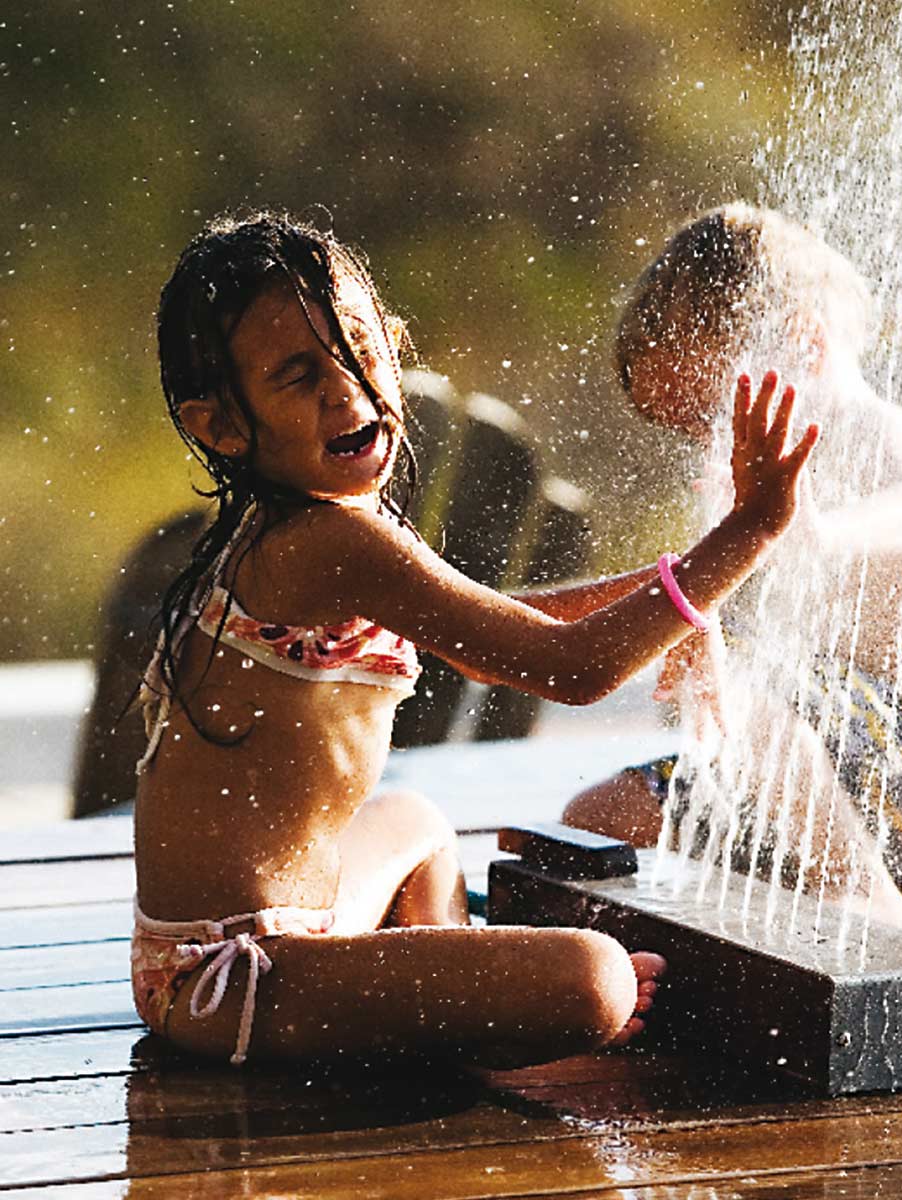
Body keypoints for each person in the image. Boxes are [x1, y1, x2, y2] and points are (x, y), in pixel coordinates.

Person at [131, 211, 819, 1067]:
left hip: (255, 938)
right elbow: (574, 670)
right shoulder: (331, 544)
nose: (349, 392)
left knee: (415, 819)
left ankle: (442, 993)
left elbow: (500, 620)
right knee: (595, 981)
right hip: (234, 977)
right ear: (222, 428)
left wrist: (679, 598)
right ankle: (460, 1008)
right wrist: (751, 530)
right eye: (301, 376)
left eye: (361, 350)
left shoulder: (317, 526)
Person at [562, 204, 902, 939]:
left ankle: (870, 898)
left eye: (715, 417)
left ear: (804, 344)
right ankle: (900, 881)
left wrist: (812, 529)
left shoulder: (886, 439)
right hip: (843, 791)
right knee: (598, 818)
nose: (710, 445)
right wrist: (472, 613)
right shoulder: (753, 483)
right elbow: (670, 595)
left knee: (756, 680)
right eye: (688, 430)